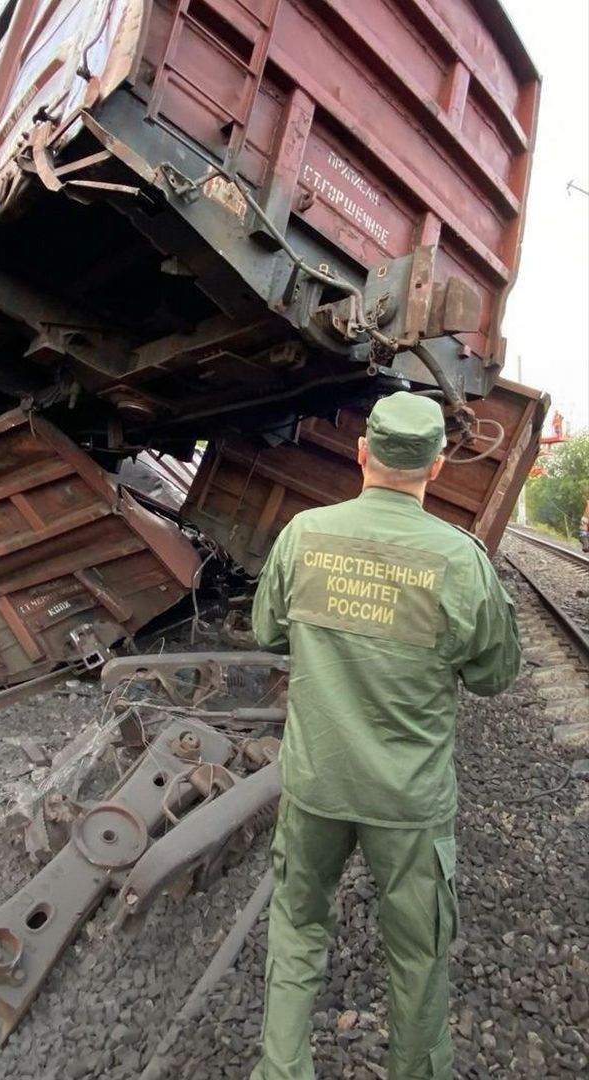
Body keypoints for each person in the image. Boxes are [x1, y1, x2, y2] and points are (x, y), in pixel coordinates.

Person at [249, 391, 521, 1080]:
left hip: (316, 785)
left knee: (298, 929)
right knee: (418, 955)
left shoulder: (304, 535)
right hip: (409, 804)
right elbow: (494, 677)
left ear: (362, 453)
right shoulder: (462, 562)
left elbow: (267, 632)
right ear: (435, 466)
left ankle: (282, 1071)